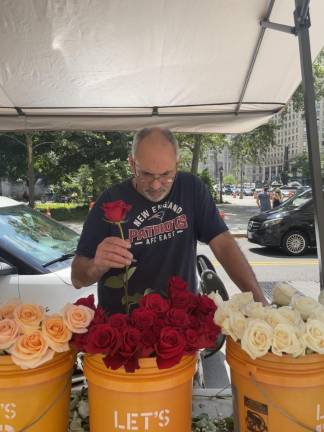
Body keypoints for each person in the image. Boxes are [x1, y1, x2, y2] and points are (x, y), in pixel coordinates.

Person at [71, 127, 267, 313]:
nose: (156, 185)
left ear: (177, 164)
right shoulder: (110, 201)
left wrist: (260, 303)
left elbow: (224, 245)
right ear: (132, 164)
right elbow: (77, 278)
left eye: (166, 175)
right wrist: (95, 266)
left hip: (180, 328)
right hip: (125, 334)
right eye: (146, 174)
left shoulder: (191, 188)